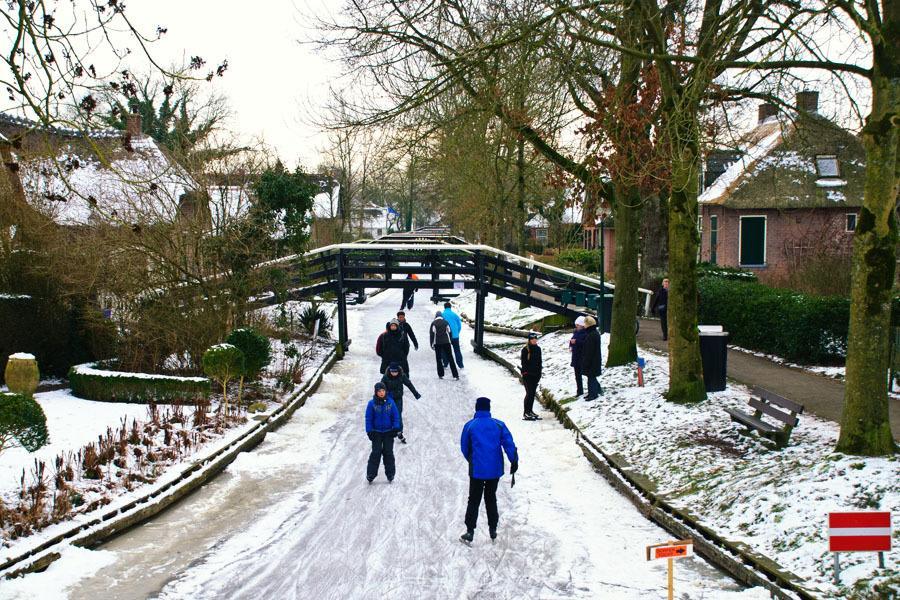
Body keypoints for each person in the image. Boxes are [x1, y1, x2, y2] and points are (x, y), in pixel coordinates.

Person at [459, 397, 518, 544]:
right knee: (490, 497)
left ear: (477, 408)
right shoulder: (498, 425)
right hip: (494, 469)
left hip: (477, 470)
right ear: (489, 409)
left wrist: (472, 459)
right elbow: (509, 444)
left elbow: (464, 447)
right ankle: (492, 528)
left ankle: (470, 530)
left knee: (474, 499)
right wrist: (514, 460)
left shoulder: (470, 425)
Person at [365, 382, 401, 484]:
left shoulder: (391, 403)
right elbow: (368, 418)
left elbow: (396, 416)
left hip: (388, 432)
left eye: (383, 391)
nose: (381, 393)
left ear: (386, 391)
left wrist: (396, 428)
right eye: (379, 391)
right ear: (376, 392)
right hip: (376, 433)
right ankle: (371, 474)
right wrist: (369, 431)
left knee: (388, 452)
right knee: (376, 453)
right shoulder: (371, 404)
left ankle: (390, 473)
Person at [381, 362, 421, 444]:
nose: (394, 373)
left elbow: (409, 384)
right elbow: (380, 388)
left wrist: (415, 393)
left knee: (398, 414)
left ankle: (399, 431)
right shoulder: (385, 377)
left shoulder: (402, 375)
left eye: (396, 372)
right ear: (390, 371)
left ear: (398, 371)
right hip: (388, 399)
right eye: (392, 372)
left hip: (398, 398)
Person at [430, 310, 459, 379]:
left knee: (438, 359)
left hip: (437, 343)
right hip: (446, 342)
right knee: (450, 358)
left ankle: (441, 374)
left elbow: (432, 334)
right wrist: (451, 340)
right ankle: (455, 375)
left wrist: (431, 343)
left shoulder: (433, 323)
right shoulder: (446, 322)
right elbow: (449, 332)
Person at [520, 332, 543, 420]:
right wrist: (525, 373)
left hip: (536, 375)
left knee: (532, 393)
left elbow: (539, 362)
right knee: (529, 393)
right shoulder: (525, 350)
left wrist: (539, 373)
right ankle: (526, 412)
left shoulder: (538, 349)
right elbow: (524, 363)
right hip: (528, 375)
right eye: (532, 339)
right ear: (529, 340)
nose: (534, 340)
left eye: (535, 339)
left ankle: (530, 410)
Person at [581, 315, 603, 400]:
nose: (584, 325)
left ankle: (593, 394)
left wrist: (586, 361)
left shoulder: (591, 335)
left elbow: (589, 351)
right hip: (594, 360)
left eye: (585, 324)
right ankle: (592, 392)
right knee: (591, 377)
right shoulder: (593, 333)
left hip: (592, 361)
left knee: (591, 378)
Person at [442, 301, 464, 369]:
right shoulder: (455, 315)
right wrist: (456, 333)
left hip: (446, 336)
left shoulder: (442, 315)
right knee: (457, 350)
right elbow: (459, 326)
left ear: (444, 307)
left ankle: (445, 364)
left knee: (445, 350)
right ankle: (460, 365)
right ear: (450, 307)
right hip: (455, 336)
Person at [569, 316, 588, 396]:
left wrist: (576, 342)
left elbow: (585, 343)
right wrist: (571, 345)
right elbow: (572, 341)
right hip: (576, 356)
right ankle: (579, 391)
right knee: (577, 376)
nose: (576, 327)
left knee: (587, 374)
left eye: (578, 325)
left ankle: (595, 388)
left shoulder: (585, 333)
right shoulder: (576, 332)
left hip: (582, 356)